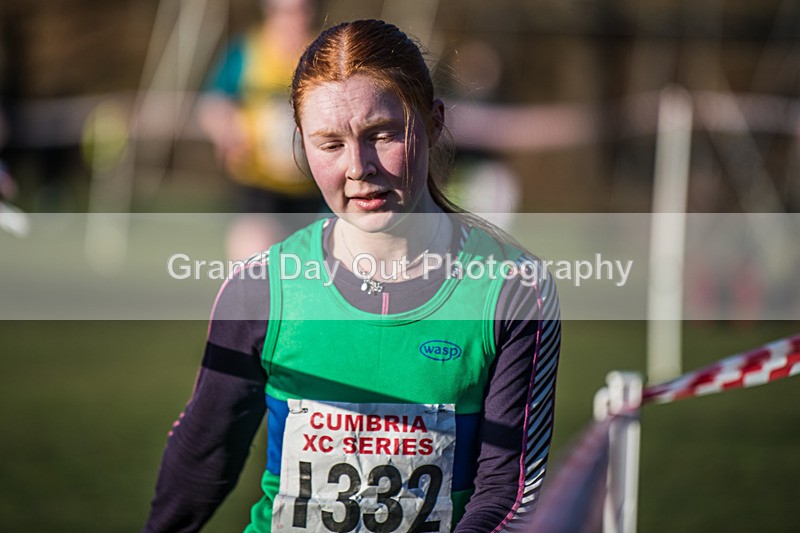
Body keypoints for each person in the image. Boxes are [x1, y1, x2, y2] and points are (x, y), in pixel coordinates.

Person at [144, 19, 560, 533]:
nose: (358, 167)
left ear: (433, 122)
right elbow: (201, 459)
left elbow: (508, 492)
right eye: (330, 144)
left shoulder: (513, 291)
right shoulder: (261, 288)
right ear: (300, 143)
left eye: (381, 134)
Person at [198, 0, 324, 260]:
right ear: (270, 12)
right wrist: (224, 129)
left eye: (303, 10)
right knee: (253, 256)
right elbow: (211, 104)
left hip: (317, 187)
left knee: (319, 269)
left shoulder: (325, 54)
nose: (295, 19)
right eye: (286, 11)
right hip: (257, 184)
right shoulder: (246, 51)